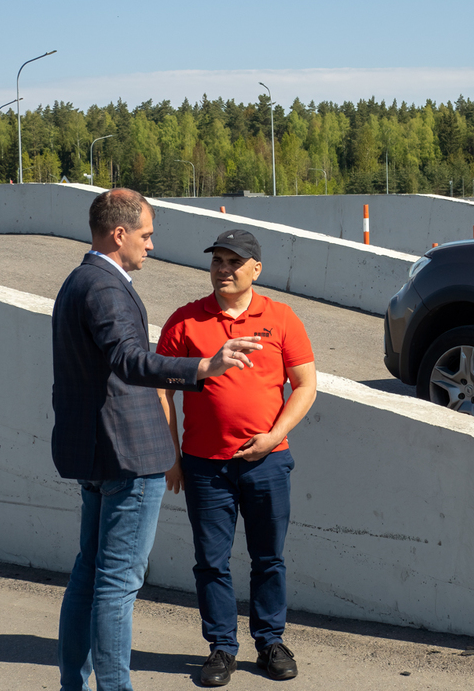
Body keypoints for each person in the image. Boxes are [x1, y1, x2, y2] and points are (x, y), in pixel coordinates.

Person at [52, 189, 264, 691]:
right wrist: (204, 366)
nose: (151, 245)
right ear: (119, 234)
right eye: (146, 235)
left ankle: (72, 684)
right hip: (129, 456)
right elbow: (130, 360)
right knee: (116, 585)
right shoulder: (105, 286)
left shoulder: (78, 280)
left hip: (96, 454)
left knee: (89, 575)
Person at [157, 229, 317, 686]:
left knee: (269, 558)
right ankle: (222, 647)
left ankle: (270, 642)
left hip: (268, 461)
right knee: (211, 560)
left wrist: (275, 436)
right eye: (217, 262)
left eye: (233, 262)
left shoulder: (282, 318)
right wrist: (173, 455)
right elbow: (162, 390)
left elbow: (305, 385)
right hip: (204, 465)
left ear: (255, 269)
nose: (223, 269)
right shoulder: (184, 322)